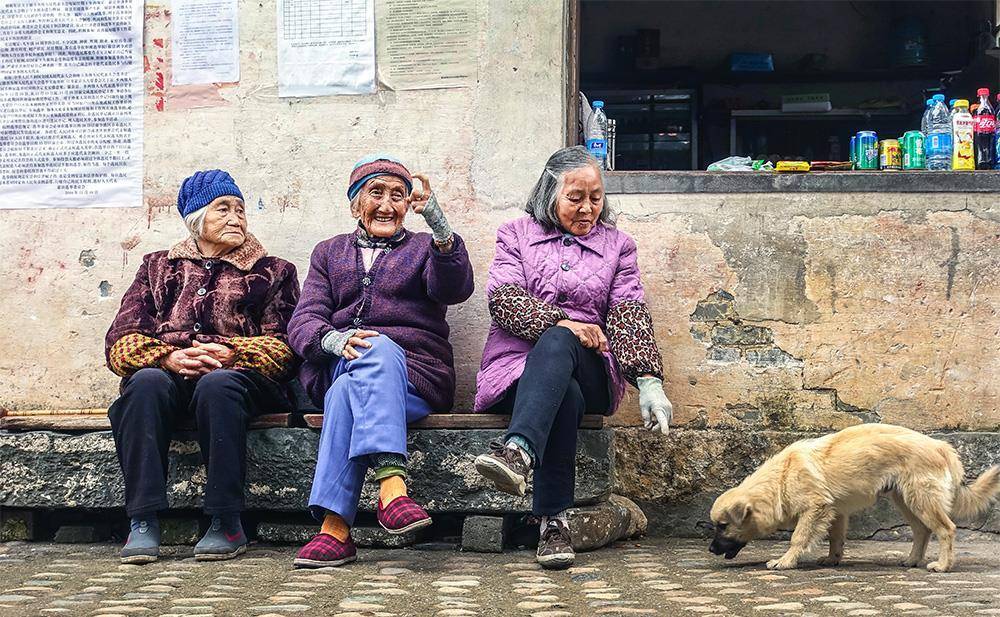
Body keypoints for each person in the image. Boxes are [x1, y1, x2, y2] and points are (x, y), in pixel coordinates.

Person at [473, 146, 672, 569]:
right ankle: (554, 522)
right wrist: (565, 321)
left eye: (596, 198)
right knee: (566, 395)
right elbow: (504, 300)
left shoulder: (618, 246)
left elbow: (627, 310)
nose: (587, 208)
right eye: (575, 198)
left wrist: (649, 381)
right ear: (550, 195)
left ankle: (518, 449)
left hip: (593, 366)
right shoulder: (515, 234)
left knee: (563, 345)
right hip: (517, 372)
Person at [105, 169, 300, 564]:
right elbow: (120, 342)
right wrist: (167, 356)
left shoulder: (273, 272)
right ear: (195, 218)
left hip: (240, 377)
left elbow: (285, 348)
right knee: (144, 384)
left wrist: (229, 354)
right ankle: (142, 520)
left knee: (218, 387)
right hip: (170, 374)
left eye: (241, 210)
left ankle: (226, 521)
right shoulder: (157, 267)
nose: (236, 218)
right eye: (223, 209)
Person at [288, 155, 474, 568]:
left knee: (350, 389)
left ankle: (335, 530)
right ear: (355, 203)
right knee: (368, 355)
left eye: (398, 195)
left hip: (416, 377)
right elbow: (304, 319)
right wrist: (333, 340)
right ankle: (392, 487)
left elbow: (455, 288)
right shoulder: (328, 252)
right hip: (342, 359)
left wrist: (440, 226)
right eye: (376, 193)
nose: (388, 205)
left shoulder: (425, 248)